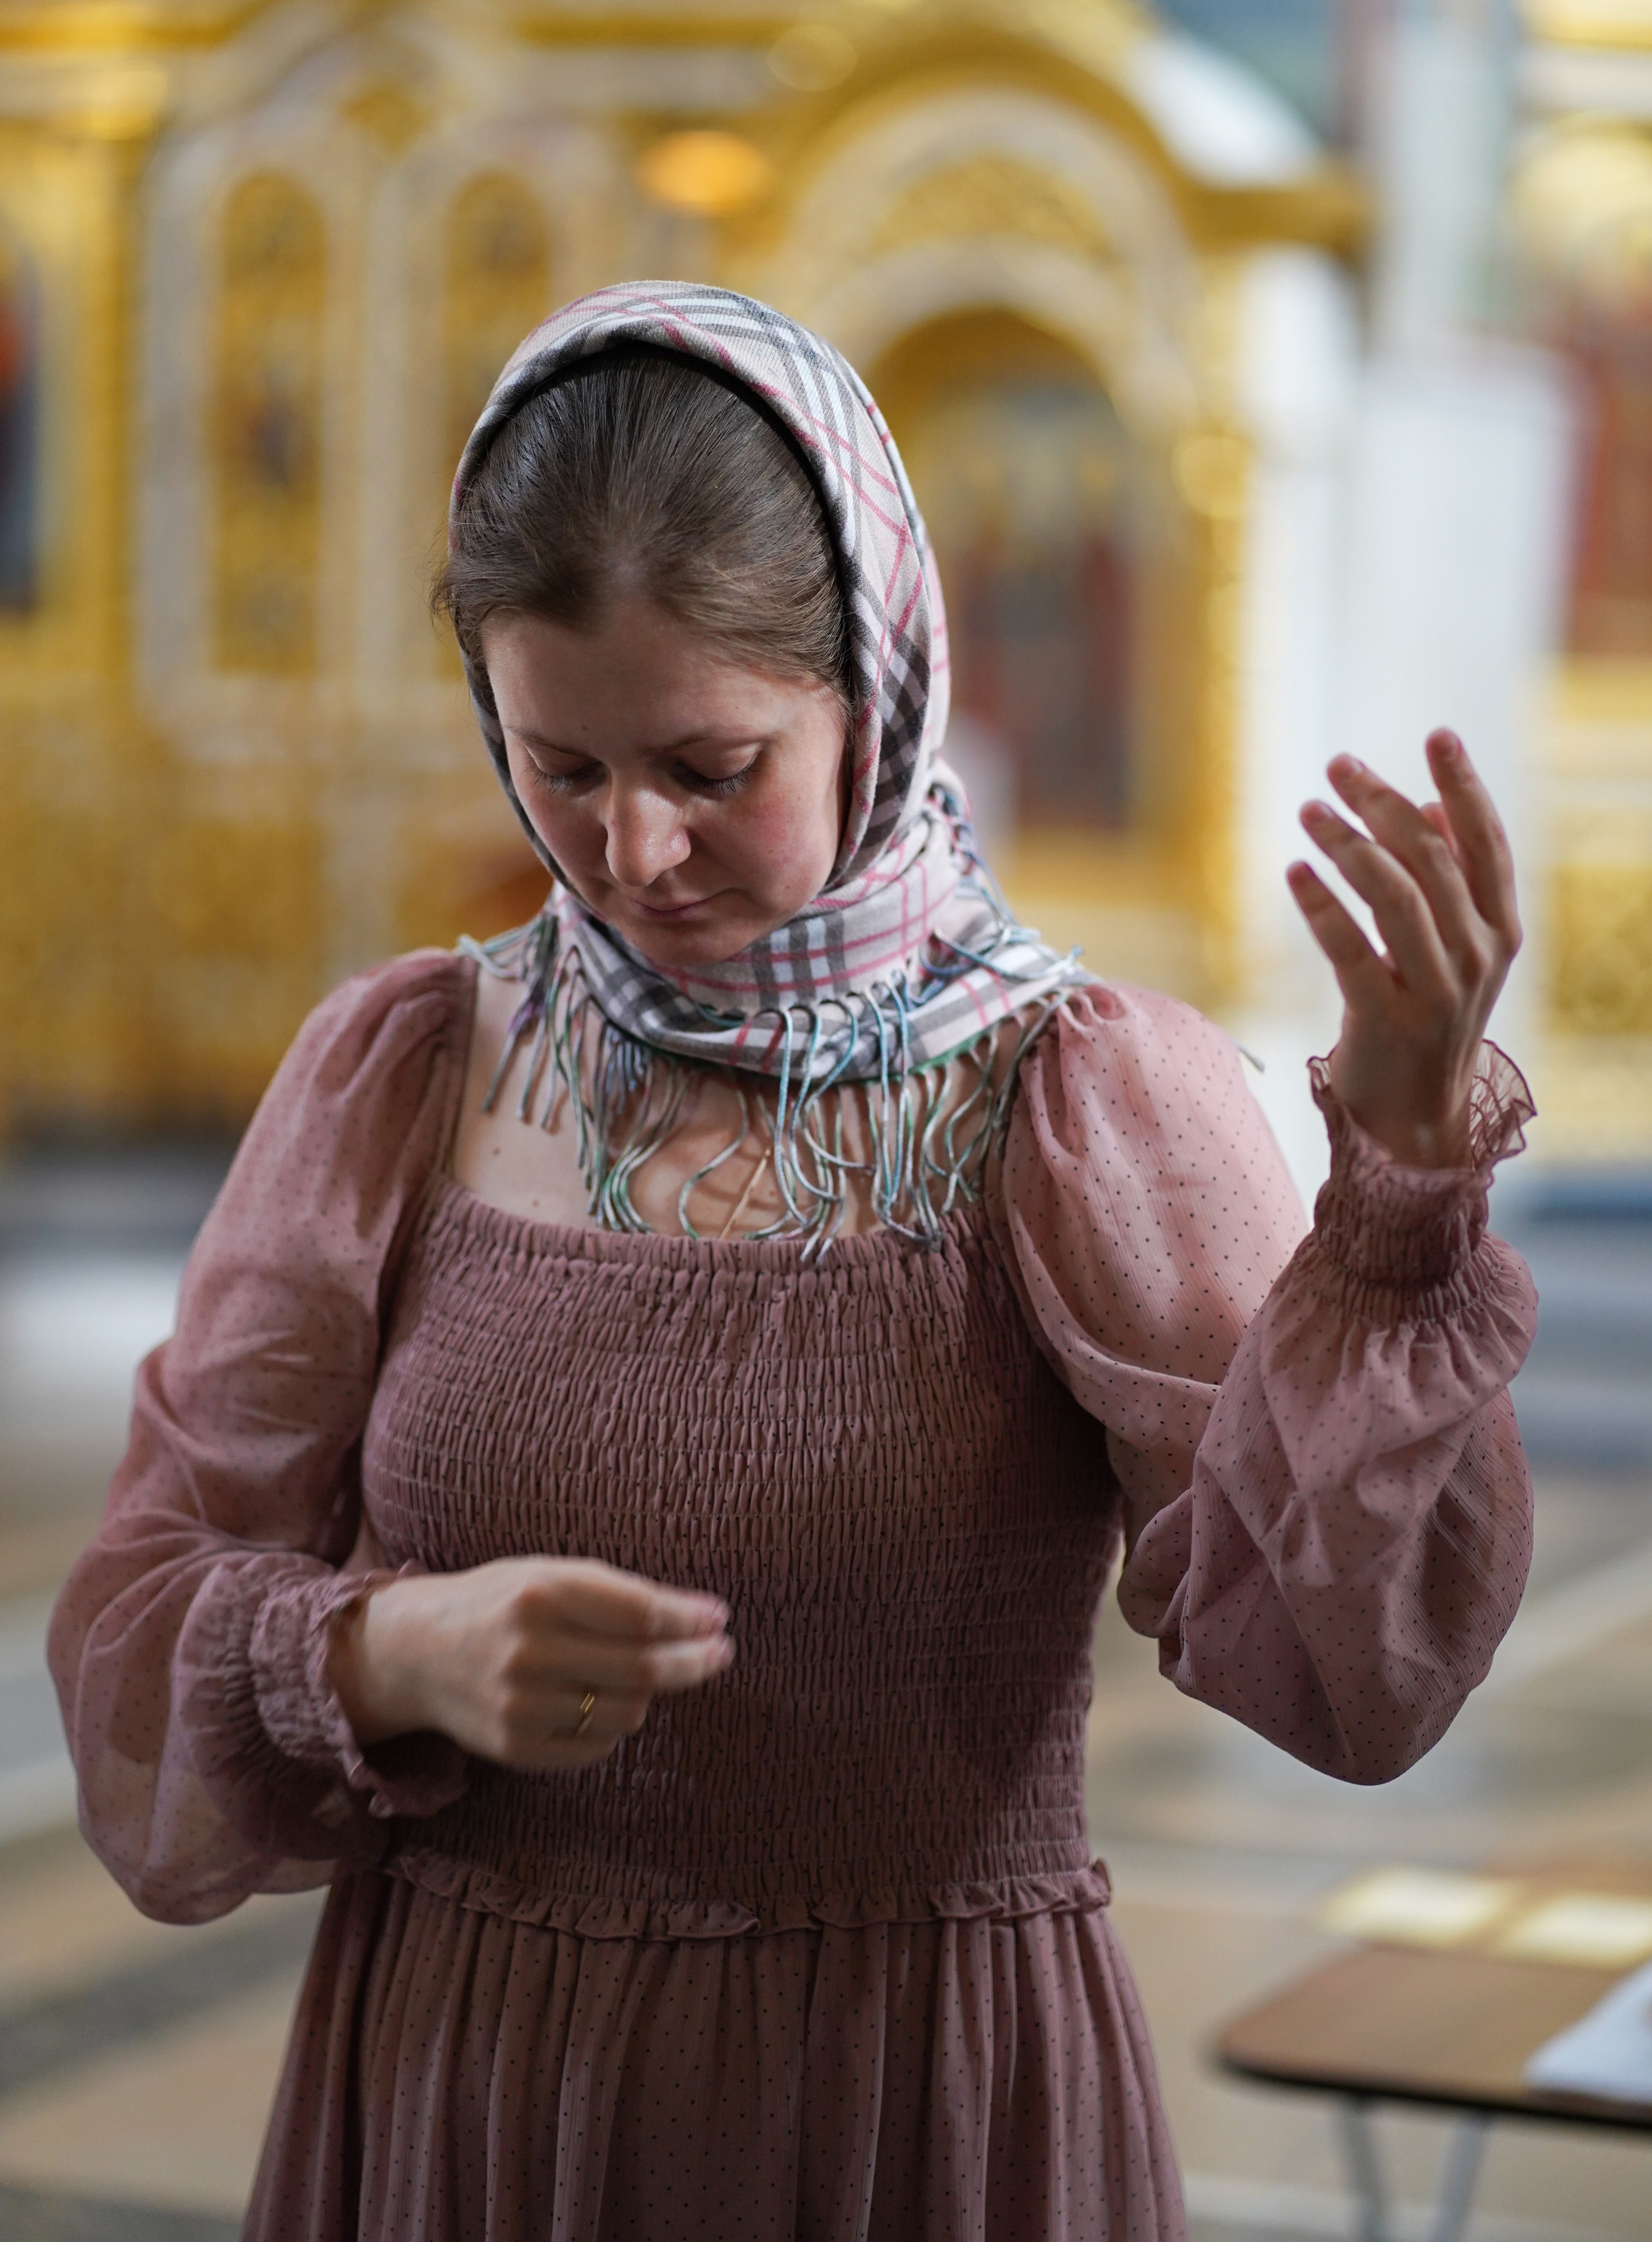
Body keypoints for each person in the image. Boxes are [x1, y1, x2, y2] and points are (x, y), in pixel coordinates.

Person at [50, 284, 1537, 2242]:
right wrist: (386, 1650)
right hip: (466, 2085)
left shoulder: (1070, 1098)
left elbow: (1352, 1680)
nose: (633, 852)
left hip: (905, 2103)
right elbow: (140, 1616)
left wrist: (1402, 1194)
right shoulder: (405, 1070)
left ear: (876, 691)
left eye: (711, 765)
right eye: (559, 766)